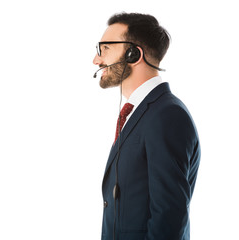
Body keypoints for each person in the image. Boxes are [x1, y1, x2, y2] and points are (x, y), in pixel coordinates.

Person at [93, 12, 201, 240]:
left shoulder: (167, 115)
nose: (96, 60)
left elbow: (169, 216)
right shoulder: (141, 112)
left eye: (105, 49)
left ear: (134, 54)